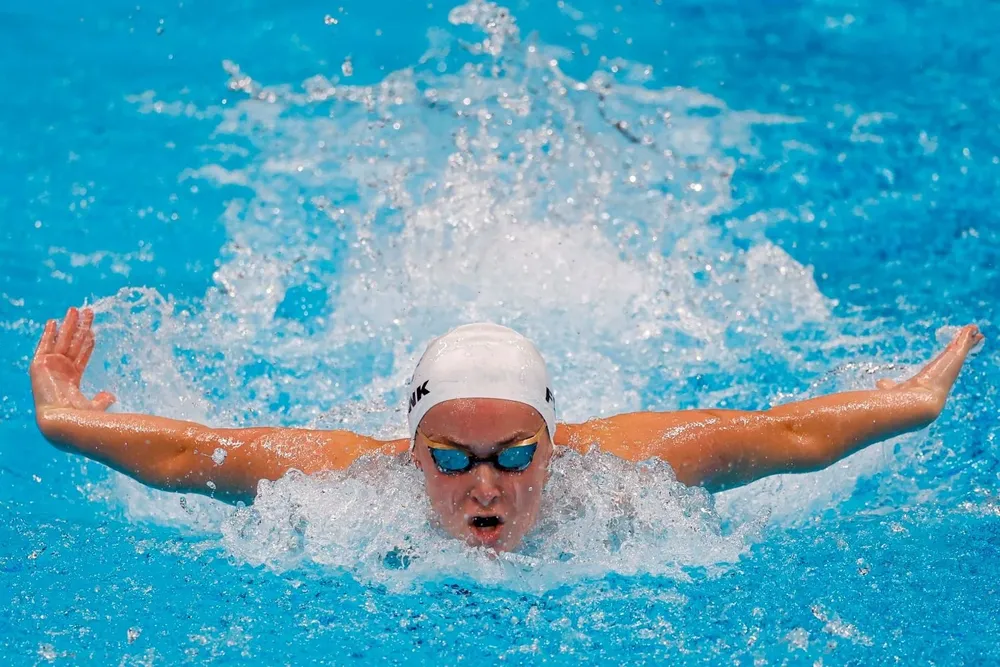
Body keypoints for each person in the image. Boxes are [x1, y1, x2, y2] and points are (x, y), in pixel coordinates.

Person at [31, 307, 984, 551]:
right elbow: (194, 451)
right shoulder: (349, 484)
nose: (484, 485)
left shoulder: (625, 470)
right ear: (410, 452)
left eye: (515, 454)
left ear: (555, 445)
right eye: (449, 457)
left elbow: (781, 434)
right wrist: (67, 421)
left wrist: (911, 401)